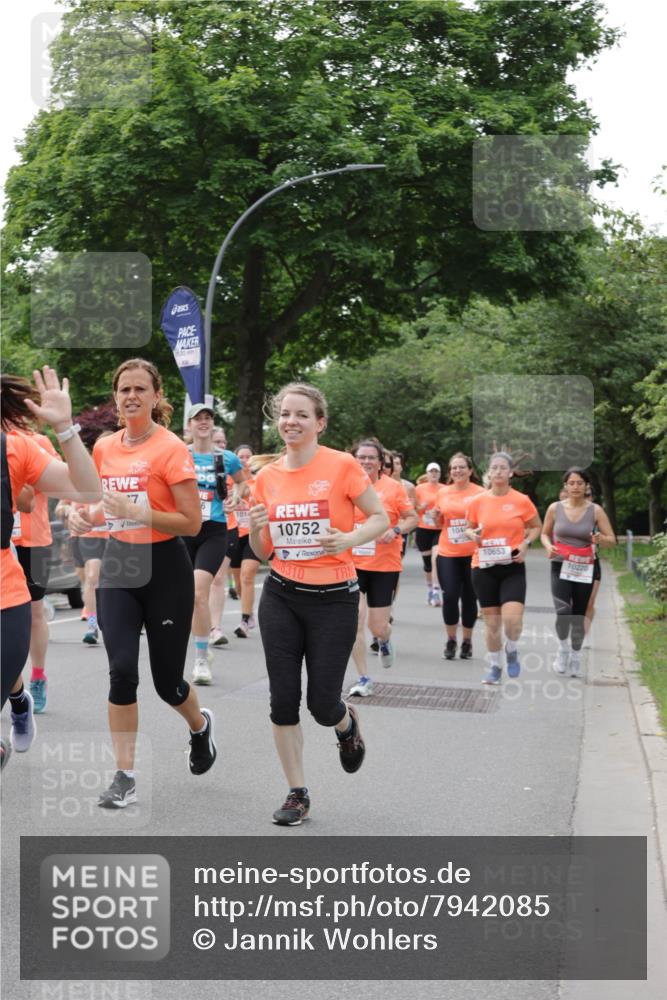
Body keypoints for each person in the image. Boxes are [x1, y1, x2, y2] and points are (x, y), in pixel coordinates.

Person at [249, 382, 388, 826]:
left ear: (319, 423)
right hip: (282, 596)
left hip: (334, 600)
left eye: (301, 414)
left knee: (322, 704)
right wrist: (255, 528)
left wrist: (350, 538)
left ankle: (346, 726)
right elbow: (262, 551)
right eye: (285, 413)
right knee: (283, 700)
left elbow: (381, 517)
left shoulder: (342, 466)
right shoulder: (265, 478)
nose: (291, 421)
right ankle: (297, 793)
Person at [84, 359, 216, 808]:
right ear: (115, 396)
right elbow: (109, 504)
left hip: (164, 566)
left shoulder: (171, 448)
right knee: (122, 670)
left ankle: (199, 726)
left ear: (157, 396)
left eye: (141, 388)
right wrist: (89, 514)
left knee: (166, 684)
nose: (132, 396)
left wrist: (139, 511)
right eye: (124, 389)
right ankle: (125, 774)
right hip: (120, 561)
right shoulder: (104, 446)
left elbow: (192, 522)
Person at [1, 369, 101, 764]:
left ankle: (24, 692)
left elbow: (88, 490)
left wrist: (64, 428)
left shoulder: (16, 449)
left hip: (6, 596)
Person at [465, 452, 542, 685]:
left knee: (512, 620)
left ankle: (511, 648)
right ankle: (495, 666)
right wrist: (473, 535)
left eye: (502, 468)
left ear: (510, 473)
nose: (497, 472)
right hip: (484, 567)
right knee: (492, 623)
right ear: (489, 472)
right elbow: (468, 528)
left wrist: (526, 543)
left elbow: (536, 526)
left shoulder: (521, 500)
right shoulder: (478, 501)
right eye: (494, 468)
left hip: (512, 567)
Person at [348, 439, 417, 696]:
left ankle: (384, 639)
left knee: (377, 626)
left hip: (383, 565)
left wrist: (395, 530)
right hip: (352, 564)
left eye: (371, 458)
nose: (366, 462)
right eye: (361, 457)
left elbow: (413, 518)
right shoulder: (345, 487)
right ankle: (363, 677)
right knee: (354, 622)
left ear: (380, 462)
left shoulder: (394, 488)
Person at [184, 404, 245, 683]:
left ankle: (200, 661)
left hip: (214, 530)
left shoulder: (227, 458)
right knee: (183, 597)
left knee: (199, 594)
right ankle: (197, 647)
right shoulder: (178, 455)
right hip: (183, 529)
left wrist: (236, 496)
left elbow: (244, 482)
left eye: (208, 418)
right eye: (199, 419)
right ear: (189, 425)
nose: (204, 423)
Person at [541, 468, 615, 677]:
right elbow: (545, 534)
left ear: (586, 486)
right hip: (560, 563)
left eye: (580, 483)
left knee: (579, 614)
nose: (575, 487)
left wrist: (600, 539)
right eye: (571, 483)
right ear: (565, 486)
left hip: (584, 566)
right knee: (563, 611)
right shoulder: (554, 509)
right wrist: (547, 546)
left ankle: (575, 655)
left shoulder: (596, 511)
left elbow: (612, 540)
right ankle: (563, 650)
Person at [11, 426, 62, 711]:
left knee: (34, 612)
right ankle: (12, 683)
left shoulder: (37, 441)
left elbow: (48, 485)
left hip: (34, 540)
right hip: (4, 543)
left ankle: (38, 677)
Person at [433, 453, 485, 660]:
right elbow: (439, 524)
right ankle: (451, 638)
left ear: (470, 471)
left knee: (470, 598)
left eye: (462, 467)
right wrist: (437, 518)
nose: (457, 471)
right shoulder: (443, 493)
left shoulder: (481, 493)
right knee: (451, 595)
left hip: (473, 553)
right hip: (448, 552)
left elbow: (486, 520)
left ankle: (467, 641)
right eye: (454, 468)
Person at [229, 444, 261, 639]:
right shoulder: (230, 481)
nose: (244, 459)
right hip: (234, 533)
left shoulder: (260, 481)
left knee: (248, 575)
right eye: (240, 456)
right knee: (239, 581)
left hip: (253, 535)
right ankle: (248, 612)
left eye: (248, 456)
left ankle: (244, 619)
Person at [415, 462, 443, 606]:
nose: (433, 474)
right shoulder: (419, 489)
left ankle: (436, 592)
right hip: (423, 529)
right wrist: (422, 507)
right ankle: (430, 589)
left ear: (439, 474)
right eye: (431, 471)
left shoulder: (445, 489)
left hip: (439, 530)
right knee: (427, 564)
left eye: (436, 472)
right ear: (427, 473)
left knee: (435, 559)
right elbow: (412, 509)